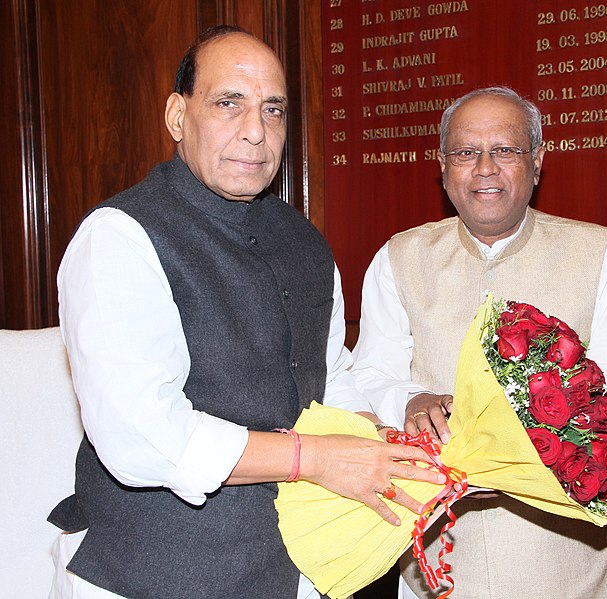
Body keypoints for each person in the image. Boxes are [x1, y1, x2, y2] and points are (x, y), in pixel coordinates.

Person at [48, 26, 446, 599]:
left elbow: (331, 378)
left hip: (294, 562)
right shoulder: (119, 238)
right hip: (146, 571)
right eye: (228, 103)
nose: (256, 132)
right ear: (177, 116)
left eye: (273, 110)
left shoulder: (307, 244)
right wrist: (313, 457)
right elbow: (141, 436)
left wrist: (382, 441)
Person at [350, 86, 607, 599]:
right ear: (443, 166)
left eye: (506, 150)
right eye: (466, 152)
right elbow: (369, 376)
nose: (485, 168)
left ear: (537, 162)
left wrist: (544, 443)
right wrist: (409, 400)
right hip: (440, 561)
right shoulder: (397, 259)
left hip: (579, 567)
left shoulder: (603, 253)